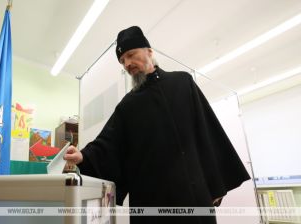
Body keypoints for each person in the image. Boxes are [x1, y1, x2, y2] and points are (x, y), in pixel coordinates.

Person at [64, 26, 250, 224]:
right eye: (122, 61)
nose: (127, 64)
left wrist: (214, 185)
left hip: (194, 198)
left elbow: (206, 133)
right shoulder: (128, 105)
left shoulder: (182, 82)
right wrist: (84, 156)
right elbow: (109, 143)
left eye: (130, 54)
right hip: (151, 205)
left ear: (149, 52)